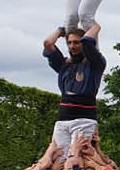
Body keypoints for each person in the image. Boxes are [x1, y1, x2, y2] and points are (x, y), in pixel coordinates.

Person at [42, 23, 106, 158]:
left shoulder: (95, 64)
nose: (72, 46)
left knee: (79, 159)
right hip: (63, 118)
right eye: (69, 43)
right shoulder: (65, 65)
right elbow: (48, 43)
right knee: (58, 159)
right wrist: (61, 30)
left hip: (84, 118)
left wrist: (94, 26)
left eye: (76, 42)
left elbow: (88, 42)